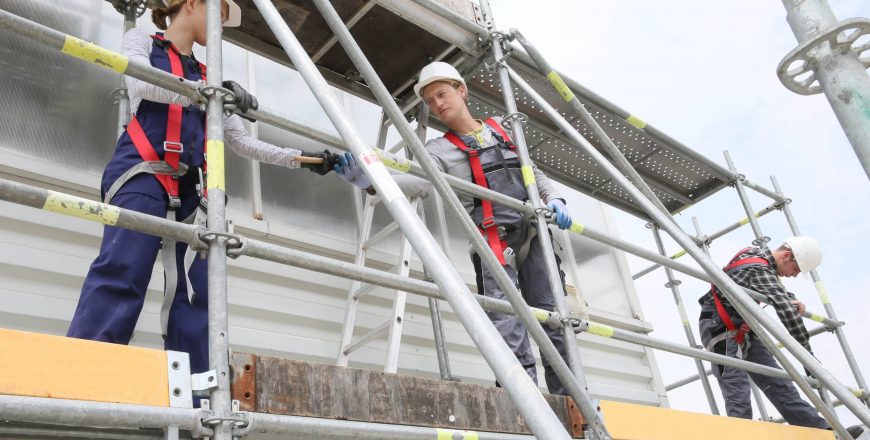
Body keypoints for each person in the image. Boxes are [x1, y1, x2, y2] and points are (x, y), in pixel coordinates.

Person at [66, 0, 338, 379]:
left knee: (196, 292)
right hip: (142, 173)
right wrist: (207, 93)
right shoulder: (141, 42)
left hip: (190, 190)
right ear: (194, 4)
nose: (221, 28)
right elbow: (142, 83)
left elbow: (242, 143)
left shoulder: (209, 77)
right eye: (220, 16)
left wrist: (304, 158)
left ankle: (193, 391)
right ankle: (80, 377)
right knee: (124, 269)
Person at [336, 61, 575, 395]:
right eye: (431, 101)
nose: (438, 104)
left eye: (442, 94)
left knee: (553, 319)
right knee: (509, 324)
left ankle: (572, 402)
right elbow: (416, 181)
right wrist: (369, 181)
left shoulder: (504, 129)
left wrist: (556, 200)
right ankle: (522, 400)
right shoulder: (438, 150)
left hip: (536, 236)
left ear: (461, 91)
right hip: (493, 242)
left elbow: (532, 171)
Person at [697, 236, 829, 428]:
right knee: (736, 388)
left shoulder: (757, 260)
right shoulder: (758, 267)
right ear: (786, 256)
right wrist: (807, 357)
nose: (794, 275)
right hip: (719, 325)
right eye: (796, 269)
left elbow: (768, 286)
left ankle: (823, 432)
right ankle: (744, 434)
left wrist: (788, 297)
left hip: (743, 326)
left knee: (779, 383)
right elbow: (788, 315)